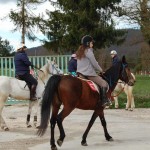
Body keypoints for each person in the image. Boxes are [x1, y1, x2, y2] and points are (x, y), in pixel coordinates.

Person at [76, 35, 111, 107]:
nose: (93, 44)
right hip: (88, 74)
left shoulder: (79, 52)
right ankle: (104, 100)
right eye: (91, 43)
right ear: (88, 43)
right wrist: (101, 70)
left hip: (80, 74)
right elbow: (94, 63)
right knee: (104, 84)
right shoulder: (88, 51)